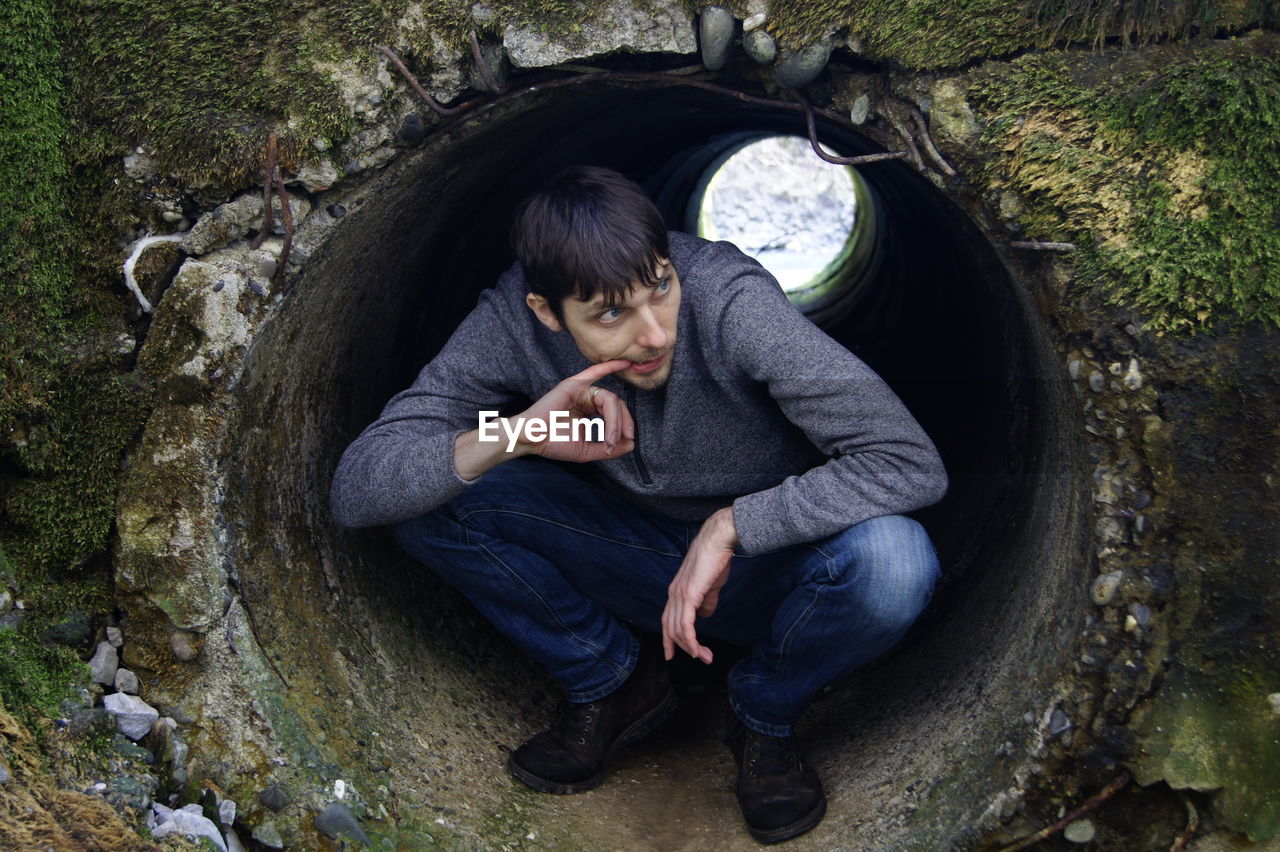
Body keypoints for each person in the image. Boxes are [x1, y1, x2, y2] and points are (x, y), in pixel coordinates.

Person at [330, 165, 947, 844]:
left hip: (780, 574)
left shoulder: (731, 304)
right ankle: (613, 678)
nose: (654, 333)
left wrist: (735, 525)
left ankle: (764, 717)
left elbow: (907, 461)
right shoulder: (510, 322)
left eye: (661, 288)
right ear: (546, 311)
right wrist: (520, 431)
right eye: (611, 313)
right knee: (433, 493)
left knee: (894, 562)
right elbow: (357, 489)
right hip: (631, 559)